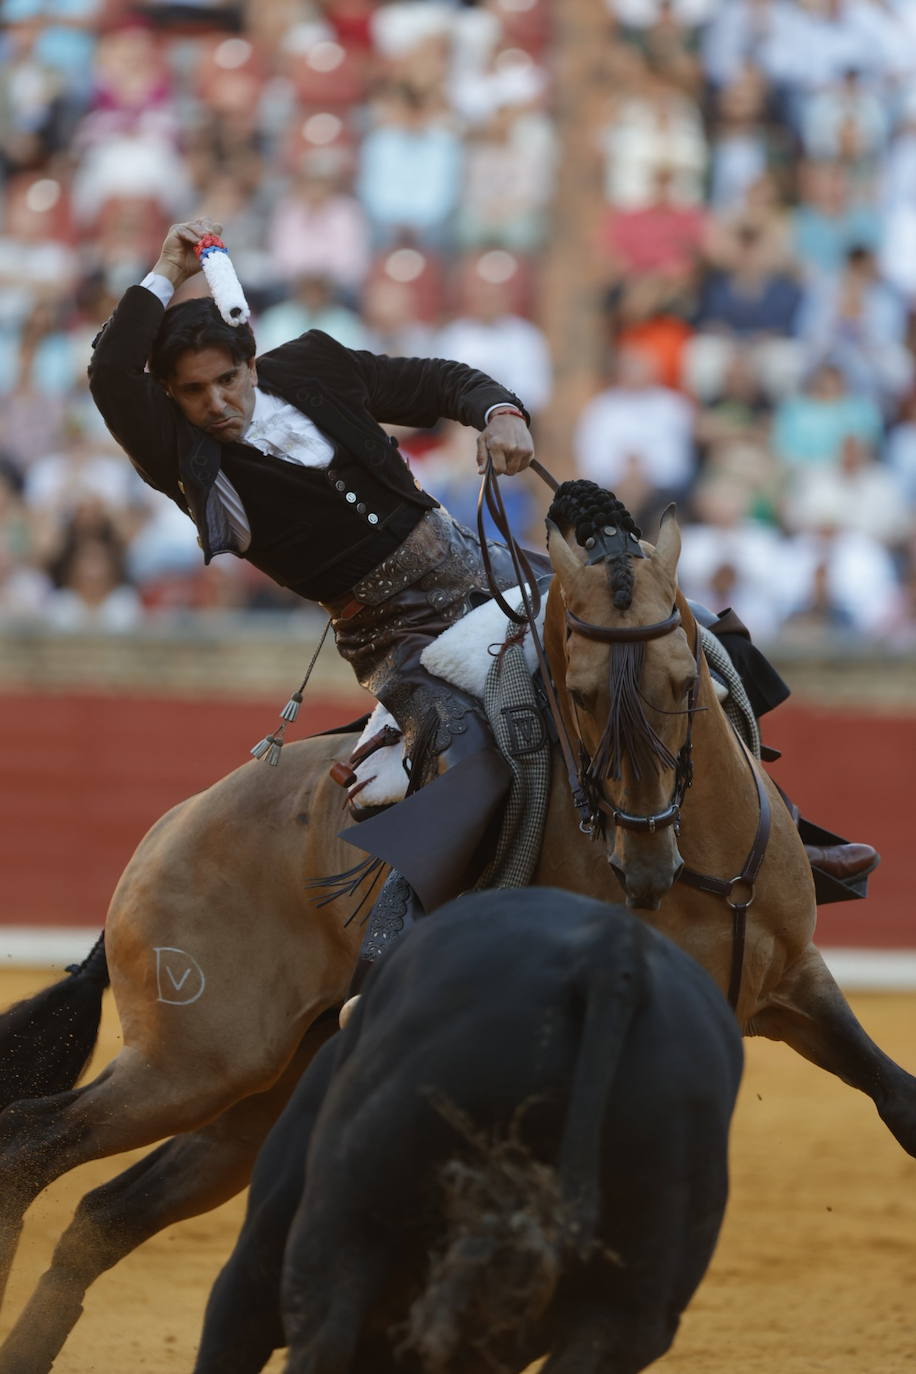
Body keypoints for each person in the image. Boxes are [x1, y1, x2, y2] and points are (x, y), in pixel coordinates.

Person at [88, 217, 875, 993]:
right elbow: (109, 373)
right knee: (465, 747)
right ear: (171, 398)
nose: (217, 403)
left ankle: (790, 839)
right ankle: (395, 949)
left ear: (250, 362)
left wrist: (499, 413)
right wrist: (167, 270)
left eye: (227, 380)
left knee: (680, 638)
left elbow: (436, 382)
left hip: (489, 568)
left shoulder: (312, 366)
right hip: (397, 636)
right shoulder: (181, 456)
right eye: (193, 392)